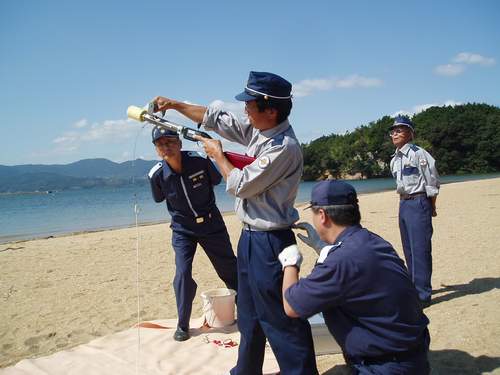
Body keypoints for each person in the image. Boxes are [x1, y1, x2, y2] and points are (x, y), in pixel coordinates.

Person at [153, 71, 318, 375]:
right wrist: (175, 105)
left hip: (272, 242)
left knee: (280, 319)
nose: (244, 110)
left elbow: (241, 184)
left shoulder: (283, 146)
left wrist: (217, 155)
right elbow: (216, 119)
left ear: (271, 110)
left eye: (250, 105)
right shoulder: (260, 127)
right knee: (250, 315)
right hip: (250, 238)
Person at [280, 180, 431, 374]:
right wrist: (323, 248)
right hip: (413, 354)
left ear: (323, 216)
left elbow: (291, 306)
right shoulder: (373, 241)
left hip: (385, 366)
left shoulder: (342, 260)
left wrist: (290, 262)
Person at [148, 126, 238, 342]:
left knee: (229, 268)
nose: (166, 147)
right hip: (182, 230)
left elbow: (217, 180)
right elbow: (159, 198)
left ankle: (246, 310)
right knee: (182, 273)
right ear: (157, 150)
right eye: (160, 144)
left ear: (179, 143)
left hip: (211, 224)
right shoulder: (156, 175)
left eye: (170, 142)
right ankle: (182, 324)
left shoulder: (199, 160)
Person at [389, 116, 440, 307]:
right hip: (403, 204)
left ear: (410, 133)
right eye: (393, 131)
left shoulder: (419, 154)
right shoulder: (394, 159)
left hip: (419, 202)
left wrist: (431, 206)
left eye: (400, 130)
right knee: (409, 250)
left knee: (420, 250)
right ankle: (414, 289)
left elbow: (432, 182)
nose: (395, 133)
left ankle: (423, 296)